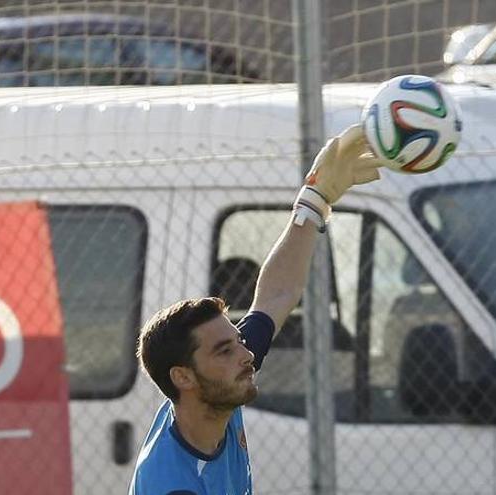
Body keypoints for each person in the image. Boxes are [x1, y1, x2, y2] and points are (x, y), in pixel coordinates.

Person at [128, 124, 382, 495]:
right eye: (225, 349)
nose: (247, 353)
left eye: (237, 340)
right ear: (183, 377)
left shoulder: (212, 392)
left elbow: (277, 295)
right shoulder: (174, 486)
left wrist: (314, 201)